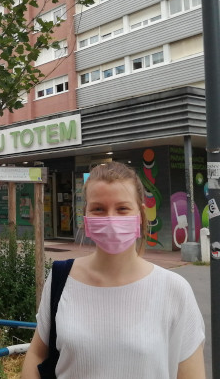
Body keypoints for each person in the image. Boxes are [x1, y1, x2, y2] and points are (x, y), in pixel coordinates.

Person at [22, 162, 205, 379]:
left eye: (122, 208)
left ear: (140, 215)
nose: (111, 219)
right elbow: (36, 353)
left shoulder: (175, 290)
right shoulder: (61, 278)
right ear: (85, 216)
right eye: (98, 209)